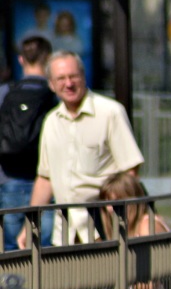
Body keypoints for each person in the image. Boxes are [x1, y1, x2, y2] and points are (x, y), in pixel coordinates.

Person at [24, 52, 144, 246]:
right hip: (64, 231)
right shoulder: (51, 121)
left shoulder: (110, 112)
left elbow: (130, 170)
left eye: (73, 76)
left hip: (103, 228)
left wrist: (122, 220)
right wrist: (29, 225)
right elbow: (45, 179)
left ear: (83, 76)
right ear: (51, 84)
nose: (68, 83)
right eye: (61, 78)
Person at [0, 36, 57, 250]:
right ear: (48, 58)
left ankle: (15, 283)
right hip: (45, 179)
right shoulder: (54, 96)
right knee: (43, 245)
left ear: (21, 60)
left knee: (12, 247)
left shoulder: (5, 93)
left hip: (9, 178)